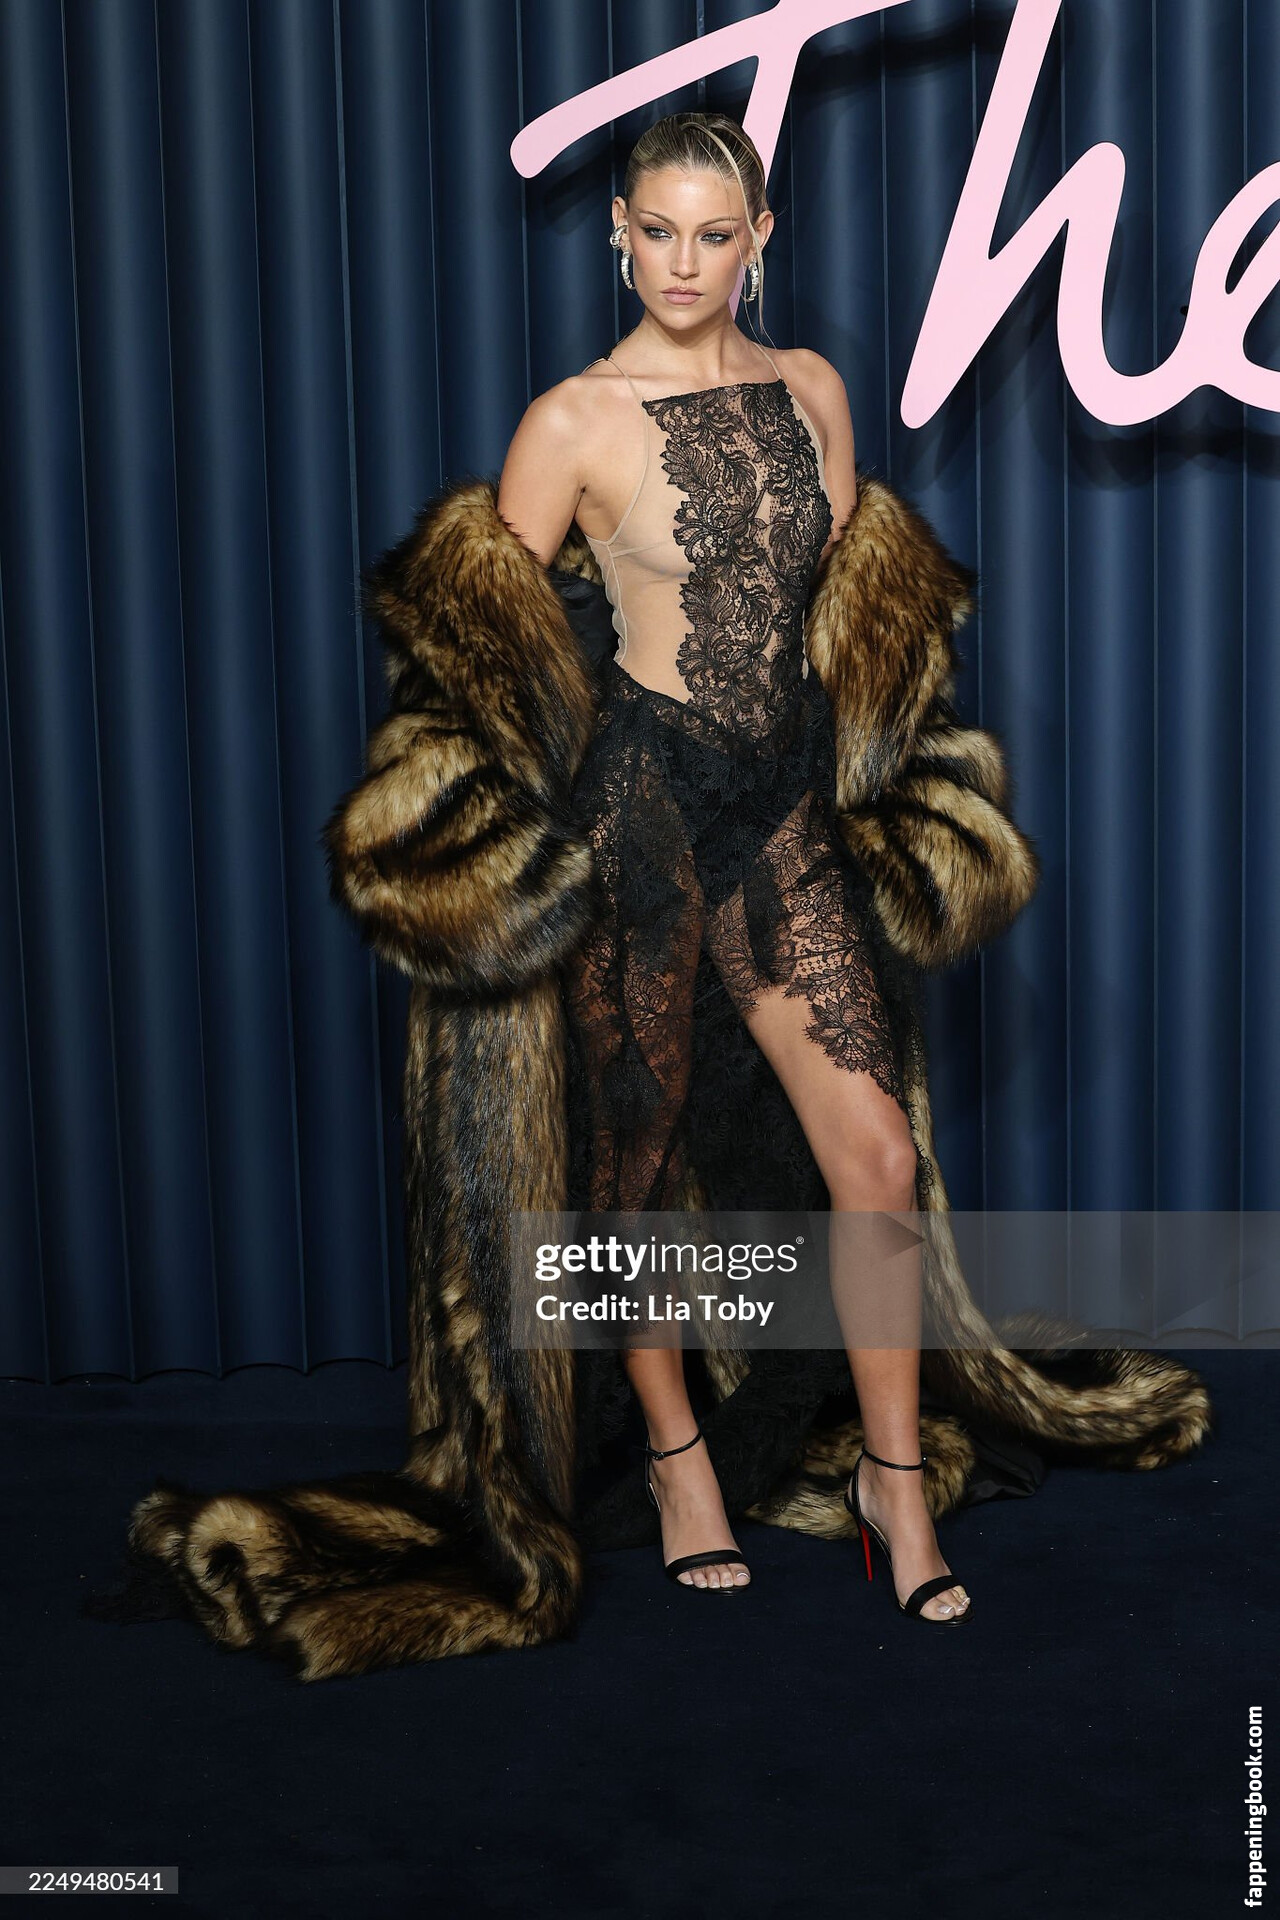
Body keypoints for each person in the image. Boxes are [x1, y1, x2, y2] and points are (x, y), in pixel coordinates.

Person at [497, 111, 969, 1619]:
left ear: (760, 238)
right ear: (618, 235)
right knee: (632, 1164)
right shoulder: (571, 419)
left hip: (778, 814)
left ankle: (895, 1483)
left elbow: (836, 618)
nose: (684, 262)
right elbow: (499, 666)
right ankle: (676, 1456)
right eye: (659, 231)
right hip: (640, 817)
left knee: (874, 1155)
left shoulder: (814, 387)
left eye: (715, 233)